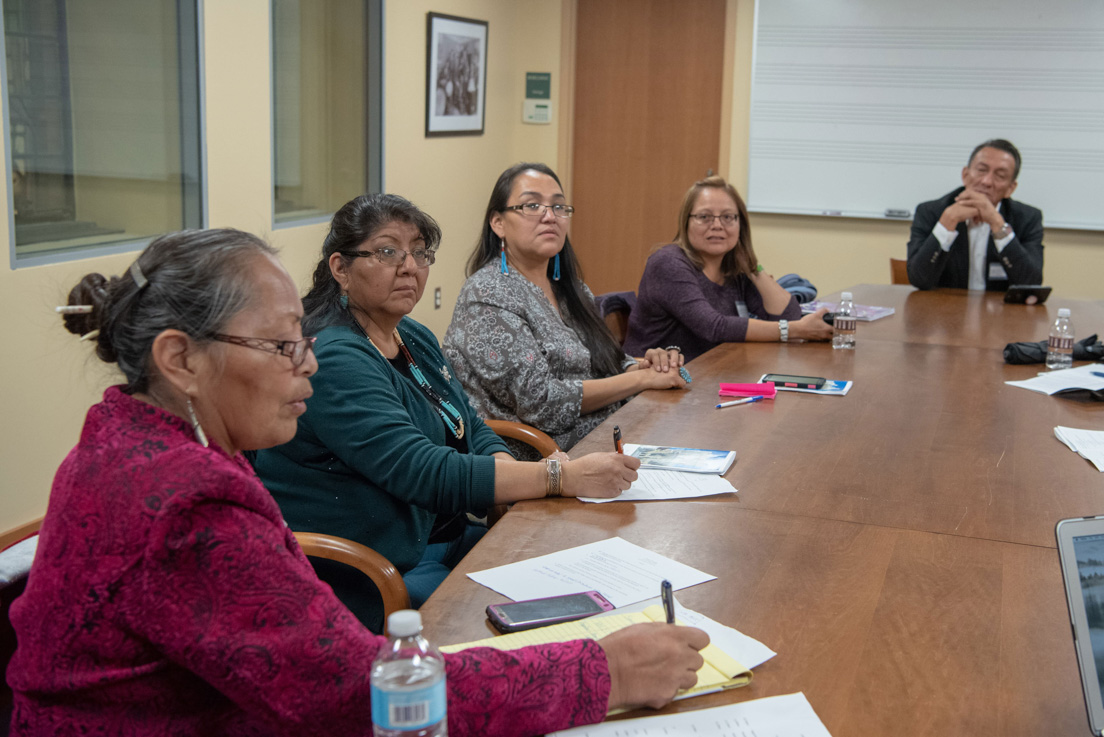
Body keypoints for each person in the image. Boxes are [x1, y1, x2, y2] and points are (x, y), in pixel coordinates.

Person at [7, 228, 709, 737]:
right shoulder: (184, 500)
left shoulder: (124, 436)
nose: (308, 363)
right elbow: (356, 694)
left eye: (303, 340)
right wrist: (600, 672)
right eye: (283, 345)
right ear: (179, 359)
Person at [252, 194, 640, 630]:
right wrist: (556, 478)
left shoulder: (410, 334)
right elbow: (419, 470)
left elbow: (468, 423)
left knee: (581, 577)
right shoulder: (335, 356)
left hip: (445, 538)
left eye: (419, 252)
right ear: (340, 268)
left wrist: (506, 472)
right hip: (380, 567)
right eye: (387, 252)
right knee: (549, 623)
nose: (409, 267)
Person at [443, 163, 687, 460]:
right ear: (498, 223)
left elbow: (608, 360)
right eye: (532, 205)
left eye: (559, 206)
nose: (550, 216)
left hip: (608, 437)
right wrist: (640, 380)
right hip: (543, 459)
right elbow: (541, 404)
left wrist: (645, 367)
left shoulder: (571, 289)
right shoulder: (487, 295)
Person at [622, 176, 833, 362]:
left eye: (728, 217)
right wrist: (792, 331)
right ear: (686, 223)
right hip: (653, 383)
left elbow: (789, 315)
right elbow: (713, 327)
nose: (717, 225)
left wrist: (752, 266)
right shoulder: (669, 263)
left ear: (740, 225)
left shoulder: (733, 268)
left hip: (708, 375)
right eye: (704, 217)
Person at [907, 139, 1044, 291]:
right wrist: (946, 225)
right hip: (945, 310)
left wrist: (998, 225)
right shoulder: (931, 211)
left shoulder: (1027, 218)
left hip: (1000, 312)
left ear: (1010, 188)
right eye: (981, 170)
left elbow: (1030, 283)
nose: (986, 181)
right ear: (965, 175)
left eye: (1000, 175)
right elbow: (918, 279)